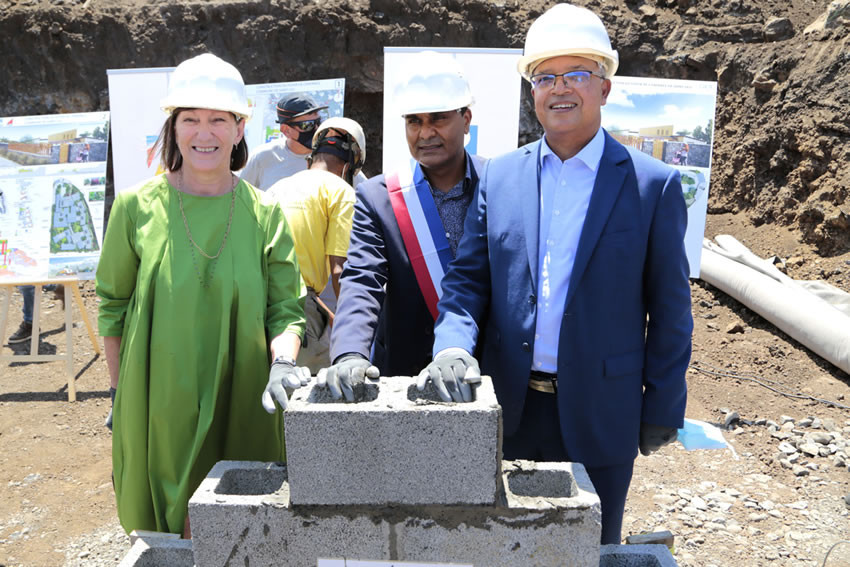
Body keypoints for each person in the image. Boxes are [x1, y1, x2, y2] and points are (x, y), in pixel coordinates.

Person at [418, 4, 693, 545]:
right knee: (500, 545)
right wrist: (451, 346)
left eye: (577, 75)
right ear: (532, 90)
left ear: (605, 87)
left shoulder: (650, 186)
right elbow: (468, 284)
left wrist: (663, 404)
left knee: (589, 548)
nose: (560, 88)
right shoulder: (500, 177)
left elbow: (669, 310)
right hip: (509, 411)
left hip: (601, 413)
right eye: (546, 76)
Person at [96, 53, 307, 537]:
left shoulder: (265, 212)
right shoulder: (134, 208)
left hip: (245, 392)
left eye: (218, 119)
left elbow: (286, 312)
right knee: (169, 530)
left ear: (239, 129)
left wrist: (283, 364)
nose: (203, 132)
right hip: (158, 400)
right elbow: (111, 307)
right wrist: (117, 392)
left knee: (239, 529)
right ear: (173, 129)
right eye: (190, 119)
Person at [319, 51, 485, 400]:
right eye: (414, 121)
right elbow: (362, 279)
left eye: (438, 118)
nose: (425, 133)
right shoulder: (377, 198)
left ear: (466, 118)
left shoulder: (499, 183)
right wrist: (350, 353)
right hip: (406, 382)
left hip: (485, 375)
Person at [266, 117, 366, 373]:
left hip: (261, 305)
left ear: (311, 158)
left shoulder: (277, 188)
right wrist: (349, 334)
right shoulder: (342, 192)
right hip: (299, 312)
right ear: (348, 168)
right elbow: (339, 272)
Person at [239, 94, 327, 191]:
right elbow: (240, 196)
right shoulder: (262, 157)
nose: (317, 129)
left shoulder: (330, 156)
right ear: (286, 130)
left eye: (319, 121)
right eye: (307, 125)